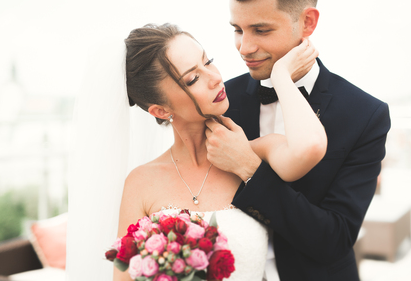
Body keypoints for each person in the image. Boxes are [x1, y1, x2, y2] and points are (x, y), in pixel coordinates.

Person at [204, 0, 391, 280]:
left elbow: (335, 239)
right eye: (238, 30)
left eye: (261, 30)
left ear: (307, 22)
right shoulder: (222, 101)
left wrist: (251, 169)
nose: (245, 48)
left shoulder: (365, 115)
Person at [110, 23, 324, 281]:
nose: (215, 77)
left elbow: (310, 147)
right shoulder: (140, 183)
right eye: (193, 78)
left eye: (208, 61)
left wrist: (281, 78)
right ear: (161, 110)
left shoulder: (256, 152)